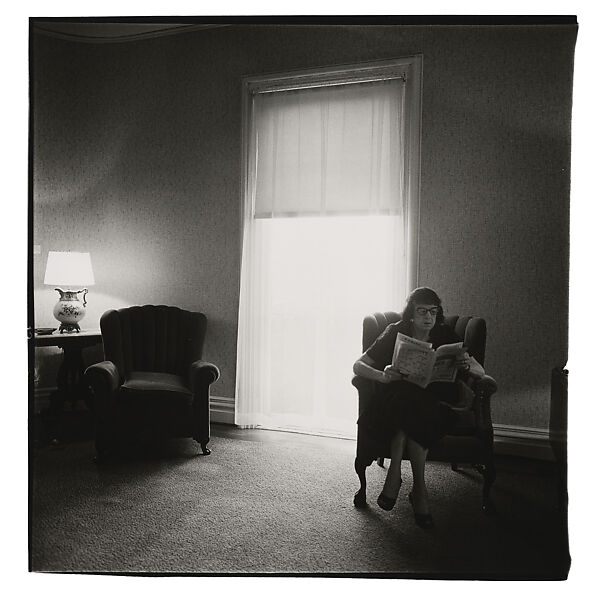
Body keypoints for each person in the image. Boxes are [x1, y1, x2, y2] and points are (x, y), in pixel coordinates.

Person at [352, 286, 485, 528]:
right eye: (422, 311)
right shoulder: (395, 332)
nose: (428, 317)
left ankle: (396, 475)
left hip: (431, 401)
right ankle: (420, 492)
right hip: (397, 398)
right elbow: (358, 366)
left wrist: (466, 364)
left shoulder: (445, 334)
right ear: (411, 314)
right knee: (408, 400)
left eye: (433, 311)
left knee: (413, 414)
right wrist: (383, 375)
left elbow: (480, 371)